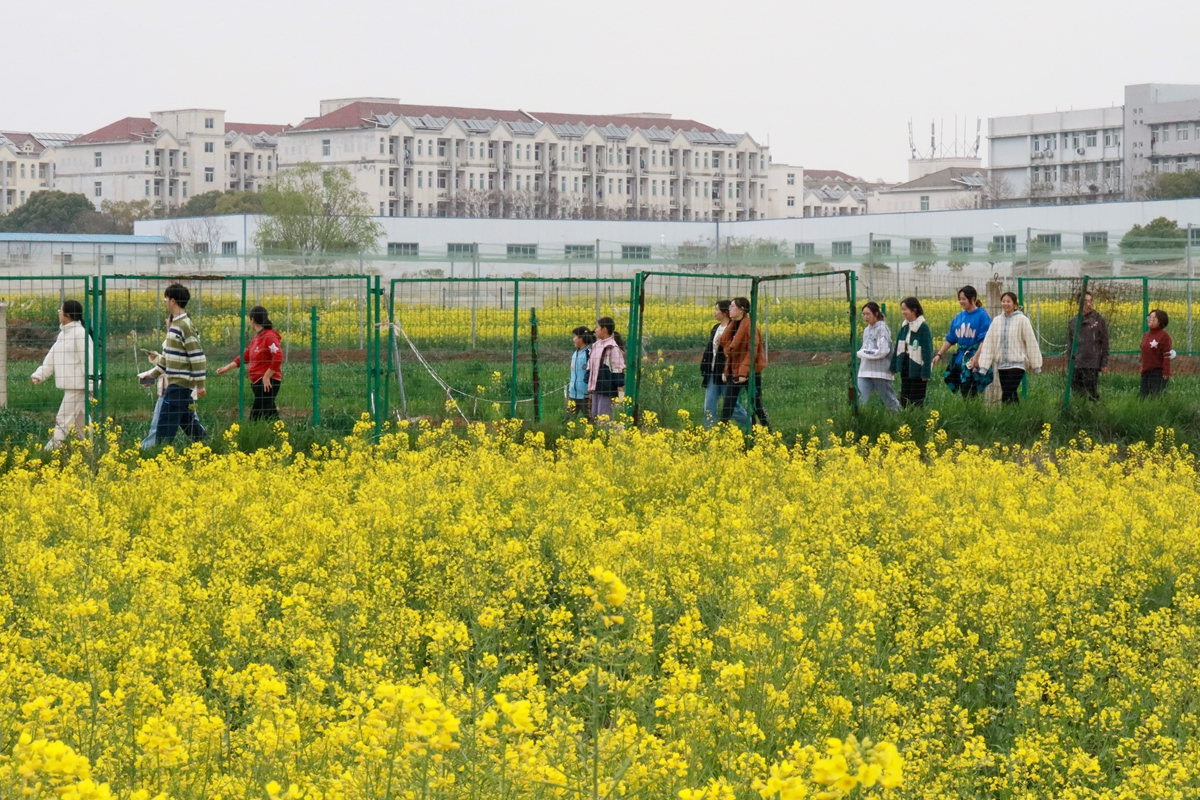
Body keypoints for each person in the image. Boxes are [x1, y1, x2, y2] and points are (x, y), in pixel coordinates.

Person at [141, 283, 207, 447]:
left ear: (173, 301)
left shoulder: (185, 326)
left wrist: (200, 384)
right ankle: (205, 445)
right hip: (177, 382)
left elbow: (197, 356)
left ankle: (161, 452)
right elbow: (167, 359)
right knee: (187, 420)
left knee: (166, 422)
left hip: (179, 384)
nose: (165, 302)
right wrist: (153, 375)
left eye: (166, 299)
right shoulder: (175, 326)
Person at [30, 300, 92, 450]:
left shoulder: (80, 334)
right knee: (81, 422)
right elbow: (52, 356)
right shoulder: (63, 334)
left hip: (78, 387)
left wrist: (90, 384)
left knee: (63, 418)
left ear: (68, 315)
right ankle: (92, 449)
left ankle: (51, 450)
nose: (59, 313)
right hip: (71, 386)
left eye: (60, 311)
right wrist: (41, 374)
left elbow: (88, 359)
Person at [972, 292, 1042, 404]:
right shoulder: (997, 321)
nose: (1005, 304)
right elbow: (989, 343)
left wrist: (1036, 364)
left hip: (1017, 364)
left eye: (1008, 301)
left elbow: (1031, 341)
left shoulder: (1022, 320)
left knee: (1007, 393)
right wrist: (984, 366)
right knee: (1011, 394)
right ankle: (1015, 416)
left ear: (1014, 304)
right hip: (1002, 365)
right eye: (1003, 301)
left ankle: (1009, 415)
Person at [214, 305, 283, 421]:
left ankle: (260, 434)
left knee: (256, 416)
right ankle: (280, 435)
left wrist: (267, 376)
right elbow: (246, 356)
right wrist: (227, 368)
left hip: (267, 383)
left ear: (252, 319)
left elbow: (278, 356)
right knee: (269, 414)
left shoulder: (269, 336)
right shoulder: (257, 338)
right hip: (258, 383)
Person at [718, 297, 770, 428]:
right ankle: (720, 433)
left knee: (756, 403)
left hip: (750, 372)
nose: (729, 309)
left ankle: (767, 429)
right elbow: (731, 352)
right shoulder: (733, 326)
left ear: (741, 310)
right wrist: (726, 371)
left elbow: (751, 352)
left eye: (732, 306)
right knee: (728, 405)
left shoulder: (750, 328)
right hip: (735, 372)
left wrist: (743, 373)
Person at [932, 285, 991, 398]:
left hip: (973, 359)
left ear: (973, 299)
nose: (961, 301)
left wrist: (977, 357)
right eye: (960, 299)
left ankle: (972, 411)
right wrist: (939, 354)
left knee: (970, 391)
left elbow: (985, 339)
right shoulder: (958, 317)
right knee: (963, 390)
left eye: (964, 299)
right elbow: (951, 338)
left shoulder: (982, 316)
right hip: (960, 360)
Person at [700, 300, 748, 428]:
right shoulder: (716, 328)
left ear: (725, 313)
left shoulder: (734, 330)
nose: (714, 312)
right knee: (708, 406)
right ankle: (710, 434)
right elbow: (710, 350)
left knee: (733, 407)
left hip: (728, 374)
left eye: (717, 310)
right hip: (713, 373)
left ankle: (751, 427)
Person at [856, 301, 899, 412]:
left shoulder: (882, 329)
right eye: (863, 314)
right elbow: (863, 349)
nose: (865, 317)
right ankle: (856, 421)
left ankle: (899, 419)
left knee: (889, 400)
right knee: (859, 398)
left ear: (876, 314)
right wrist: (862, 353)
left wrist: (864, 353)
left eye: (868, 314)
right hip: (865, 371)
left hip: (880, 372)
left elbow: (882, 351)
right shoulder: (867, 330)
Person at [890, 297, 933, 408]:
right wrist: (894, 367)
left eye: (905, 309)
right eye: (902, 309)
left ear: (914, 309)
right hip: (905, 364)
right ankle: (905, 419)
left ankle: (917, 420)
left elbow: (927, 351)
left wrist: (926, 373)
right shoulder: (904, 327)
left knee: (916, 398)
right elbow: (898, 348)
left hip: (917, 366)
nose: (903, 312)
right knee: (905, 396)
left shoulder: (923, 327)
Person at [1066, 292, 1109, 401]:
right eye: (1085, 302)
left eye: (1090, 301)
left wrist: (1104, 362)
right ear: (1077, 304)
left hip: (1091, 364)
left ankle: (1095, 412)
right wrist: (1069, 363)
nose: (1089, 304)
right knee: (1077, 394)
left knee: (1091, 394)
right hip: (1076, 364)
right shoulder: (1073, 322)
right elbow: (1070, 344)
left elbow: (1105, 343)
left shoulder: (1099, 320)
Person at [587, 316, 626, 420]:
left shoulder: (611, 347)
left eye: (597, 327)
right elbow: (591, 365)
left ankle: (606, 435)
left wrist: (619, 384)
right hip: (596, 387)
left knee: (604, 417)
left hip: (607, 387)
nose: (595, 330)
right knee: (595, 415)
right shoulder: (596, 345)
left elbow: (617, 367)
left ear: (604, 329)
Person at [1140, 309, 1173, 397]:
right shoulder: (1146, 335)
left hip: (1158, 373)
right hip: (1145, 372)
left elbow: (1167, 355)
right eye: (1149, 317)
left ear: (1160, 321)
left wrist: (1166, 372)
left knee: (1156, 397)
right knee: (1143, 398)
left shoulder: (1164, 336)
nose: (1149, 319)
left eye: (1153, 317)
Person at [567, 325, 594, 419]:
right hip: (573, 393)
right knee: (568, 419)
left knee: (589, 419)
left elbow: (592, 372)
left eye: (575, 337)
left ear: (581, 338)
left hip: (585, 394)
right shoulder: (575, 353)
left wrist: (591, 390)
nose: (573, 339)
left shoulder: (589, 353)